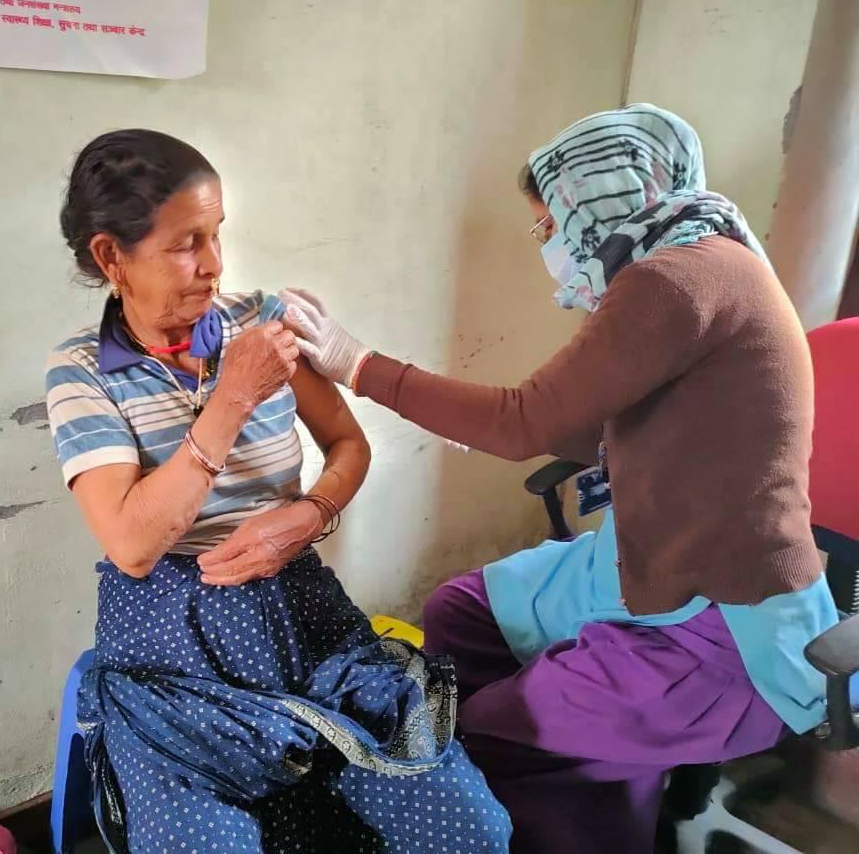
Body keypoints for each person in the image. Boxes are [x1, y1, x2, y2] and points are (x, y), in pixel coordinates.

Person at [282, 104, 840, 853]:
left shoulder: (677, 279)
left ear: (602, 195)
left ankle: (557, 788)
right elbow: (583, 425)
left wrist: (356, 363)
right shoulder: (690, 260)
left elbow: (524, 421)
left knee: (488, 730)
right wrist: (480, 423)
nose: (549, 244)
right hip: (644, 562)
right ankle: (555, 781)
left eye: (550, 223)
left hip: (720, 612)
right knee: (460, 612)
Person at [46, 129, 511, 854]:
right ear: (112, 256)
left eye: (217, 234)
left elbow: (349, 445)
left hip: (301, 614)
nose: (214, 264)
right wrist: (232, 397)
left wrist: (311, 512)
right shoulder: (80, 372)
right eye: (186, 244)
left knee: (469, 830)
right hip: (172, 648)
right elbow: (133, 545)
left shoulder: (261, 323)